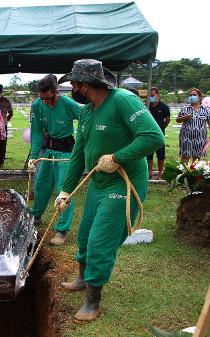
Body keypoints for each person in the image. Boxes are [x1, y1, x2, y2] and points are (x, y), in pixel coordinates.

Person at [55, 59, 164, 322]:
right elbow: (78, 153)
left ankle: (93, 301)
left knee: (99, 241)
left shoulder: (123, 101)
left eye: (73, 83)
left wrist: (117, 158)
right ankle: (82, 277)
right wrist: (65, 190)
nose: (71, 87)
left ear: (85, 84)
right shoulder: (88, 111)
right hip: (99, 183)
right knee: (84, 236)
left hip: (122, 183)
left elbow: (153, 137)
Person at [28, 75, 81, 246]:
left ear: (56, 91)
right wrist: (34, 156)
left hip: (65, 152)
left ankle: (61, 230)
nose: (46, 103)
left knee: (64, 189)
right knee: (41, 184)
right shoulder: (37, 105)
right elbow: (36, 132)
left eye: (49, 99)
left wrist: (83, 142)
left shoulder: (68, 104)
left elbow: (87, 119)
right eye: (42, 99)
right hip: (49, 150)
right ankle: (35, 216)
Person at [176, 88, 210, 162]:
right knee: (185, 156)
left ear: (200, 97)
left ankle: (195, 173)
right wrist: (185, 117)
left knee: (197, 158)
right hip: (186, 137)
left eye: (194, 95)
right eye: (191, 95)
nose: (192, 96)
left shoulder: (205, 109)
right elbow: (177, 120)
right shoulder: (185, 108)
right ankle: (184, 173)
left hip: (200, 138)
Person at [147, 87, 170, 179]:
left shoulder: (164, 106)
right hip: (148, 134)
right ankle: (149, 172)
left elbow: (167, 120)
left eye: (152, 95)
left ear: (157, 95)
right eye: (149, 96)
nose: (151, 97)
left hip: (159, 134)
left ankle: (160, 173)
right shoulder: (146, 106)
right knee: (148, 154)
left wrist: (161, 128)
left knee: (160, 154)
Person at [0, 84, 13, 167]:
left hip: (1, 126)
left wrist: (5, 121)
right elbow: (11, 113)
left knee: (2, 143)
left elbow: (11, 113)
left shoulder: (6, 100)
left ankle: (1, 160)